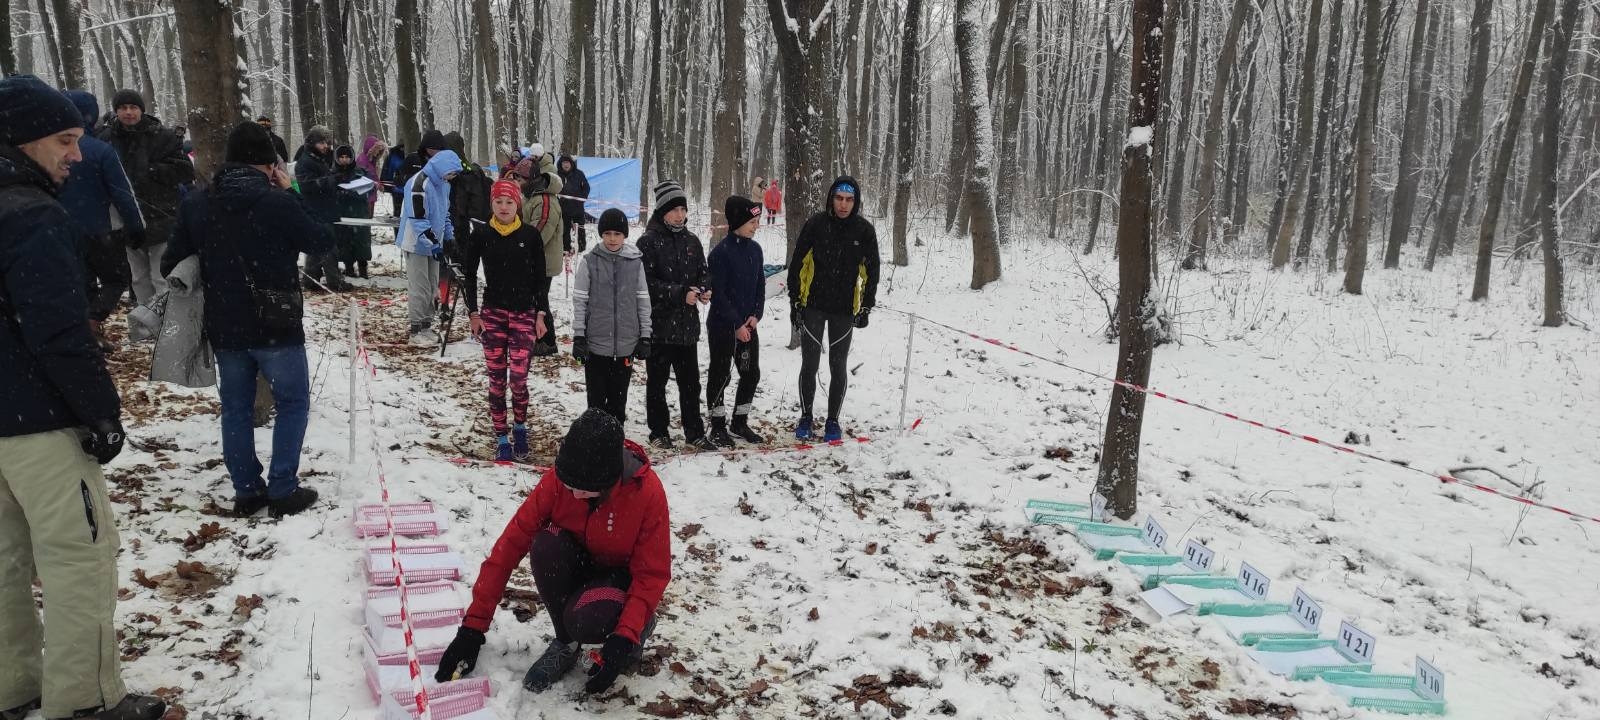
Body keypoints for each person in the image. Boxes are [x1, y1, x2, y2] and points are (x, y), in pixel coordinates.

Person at [0, 74, 167, 720]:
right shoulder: (32, 215)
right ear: (24, 141)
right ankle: (87, 700)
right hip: (38, 419)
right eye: (65, 140)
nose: (77, 154)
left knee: (7, 561)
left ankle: (13, 686)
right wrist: (101, 410)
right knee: (80, 553)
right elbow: (58, 330)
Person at [433, 409, 669, 696]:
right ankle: (565, 643)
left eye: (582, 490)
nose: (571, 494)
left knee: (585, 619)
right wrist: (473, 627)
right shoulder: (559, 482)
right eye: (568, 486)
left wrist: (625, 636)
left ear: (606, 482)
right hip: (579, 563)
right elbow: (509, 546)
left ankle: (636, 625)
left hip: (619, 580)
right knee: (546, 543)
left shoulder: (647, 493)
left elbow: (651, 573)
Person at [161, 120, 327, 519]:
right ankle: (283, 486)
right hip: (277, 322)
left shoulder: (197, 203)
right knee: (292, 402)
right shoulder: (278, 202)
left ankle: (247, 490)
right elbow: (321, 241)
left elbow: (171, 261)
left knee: (235, 408)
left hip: (225, 323)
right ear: (270, 164)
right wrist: (294, 193)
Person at [462, 181, 550, 462]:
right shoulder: (482, 234)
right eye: (498, 202)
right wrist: (473, 313)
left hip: (524, 313)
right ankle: (501, 436)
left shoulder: (530, 235)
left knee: (519, 381)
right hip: (492, 314)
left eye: (509, 203)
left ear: (517, 206)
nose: (503, 207)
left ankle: (520, 427)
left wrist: (540, 314)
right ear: (492, 204)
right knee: (497, 380)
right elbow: (469, 275)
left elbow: (540, 278)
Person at [787, 175, 879, 443]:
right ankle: (805, 417)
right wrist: (795, 302)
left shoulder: (864, 231)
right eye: (839, 198)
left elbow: (873, 270)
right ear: (831, 198)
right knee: (809, 364)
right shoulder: (816, 224)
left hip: (843, 310)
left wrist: (866, 306)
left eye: (849, 200)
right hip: (814, 305)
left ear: (856, 202)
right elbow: (797, 263)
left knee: (838, 366)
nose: (843, 205)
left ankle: (832, 421)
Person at [58, 90, 144, 353]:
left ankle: (86, 334)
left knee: (82, 283)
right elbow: (123, 192)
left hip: (63, 228)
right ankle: (92, 323)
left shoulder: (52, 147)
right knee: (117, 280)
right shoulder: (101, 150)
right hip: (101, 229)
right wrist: (136, 226)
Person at [99, 89, 194, 306]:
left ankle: (164, 322)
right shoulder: (106, 138)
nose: (128, 112)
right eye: (123, 108)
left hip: (161, 214)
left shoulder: (163, 136)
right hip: (125, 217)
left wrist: (150, 171)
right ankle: (145, 325)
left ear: (141, 110)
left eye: (133, 107)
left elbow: (184, 171)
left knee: (160, 275)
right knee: (138, 277)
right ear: (116, 111)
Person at [637, 180, 710, 451]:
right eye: (674, 209)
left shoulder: (692, 241)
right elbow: (646, 283)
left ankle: (694, 431)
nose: (680, 215)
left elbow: (704, 271)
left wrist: (704, 289)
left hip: (687, 328)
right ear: (661, 211)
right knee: (656, 384)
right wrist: (679, 293)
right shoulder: (648, 242)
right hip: (659, 326)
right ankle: (658, 431)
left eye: (683, 209)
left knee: (691, 384)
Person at [572, 208, 652, 423]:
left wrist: (645, 336)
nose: (612, 239)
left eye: (617, 234)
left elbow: (643, 300)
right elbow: (580, 301)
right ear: (601, 235)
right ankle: (594, 445)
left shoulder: (636, 263)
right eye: (607, 233)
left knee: (618, 402)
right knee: (596, 402)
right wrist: (579, 336)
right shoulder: (590, 261)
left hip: (626, 344)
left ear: (625, 235)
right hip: (596, 344)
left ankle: (614, 443)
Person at [705, 196, 767, 447]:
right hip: (723, 327)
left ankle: (739, 421)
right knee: (720, 375)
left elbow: (760, 286)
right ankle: (717, 425)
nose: (756, 226)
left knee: (751, 373)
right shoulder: (721, 253)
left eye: (758, 221)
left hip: (749, 326)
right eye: (752, 221)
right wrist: (736, 325)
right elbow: (718, 295)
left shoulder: (756, 250)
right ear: (738, 222)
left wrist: (756, 314)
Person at [395, 147, 462, 346]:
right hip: (416, 242)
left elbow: (444, 214)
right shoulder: (418, 183)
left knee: (433, 285)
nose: (451, 177)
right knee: (420, 287)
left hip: (434, 242)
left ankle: (426, 324)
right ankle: (416, 329)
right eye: (450, 173)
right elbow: (417, 218)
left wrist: (449, 237)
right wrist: (433, 243)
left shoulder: (443, 184)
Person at [516, 151, 566, 356]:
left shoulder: (544, 200)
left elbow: (539, 232)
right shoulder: (531, 196)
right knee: (536, 299)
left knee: (540, 300)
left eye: (519, 178)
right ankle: (538, 337)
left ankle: (547, 341)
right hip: (534, 260)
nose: (516, 182)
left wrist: (520, 248)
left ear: (529, 179)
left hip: (543, 261)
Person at [292, 126, 352, 292]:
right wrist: (332, 180)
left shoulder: (320, 159)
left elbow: (324, 182)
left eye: (327, 142)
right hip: (317, 210)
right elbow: (309, 185)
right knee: (328, 245)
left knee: (316, 245)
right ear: (312, 143)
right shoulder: (305, 161)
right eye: (321, 142)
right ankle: (334, 281)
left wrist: (338, 184)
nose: (326, 146)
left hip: (324, 209)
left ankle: (310, 279)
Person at [445, 131, 493, 259]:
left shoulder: (464, 168)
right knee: (460, 252)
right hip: (460, 218)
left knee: (457, 252)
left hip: (457, 217)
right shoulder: (469, 168)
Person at [332, 145, 375, 279]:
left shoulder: (360, 172)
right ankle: (349, 268)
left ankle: (363, 270)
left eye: (347, 157)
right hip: (342, 212)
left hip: (359, 212)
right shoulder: (332, 173)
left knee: (361, 242)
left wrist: (354, 191)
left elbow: (370, 188)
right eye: (342, 157)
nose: (344, 160)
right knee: (344, 242)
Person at [557, 154, 591, 254]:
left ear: (571, 164)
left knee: (580, 227)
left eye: (568, 163)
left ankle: (581, 247)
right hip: (563, 207)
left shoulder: (579, 174)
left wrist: (582, 198)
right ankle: (566, 248)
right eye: (564, 163)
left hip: (577, 207)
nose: (566, 165)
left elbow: (586, 187)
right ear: (561, 164)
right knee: (565, 229)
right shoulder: (557, 175)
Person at [356, 134, 387, 215]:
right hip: (365, 197)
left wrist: (379, 184)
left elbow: (374, 176)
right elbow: (361, 178)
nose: (377, 154)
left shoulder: (371, 161)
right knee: (365, 220)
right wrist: (375, 184)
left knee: (369, 219)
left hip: (371, 196)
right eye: (376, 151)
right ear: (371, 149)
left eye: (379, 152)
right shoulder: (362, 160)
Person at [381, 142, 407, 216]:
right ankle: (397, 227)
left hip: (404, 189)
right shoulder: (392, 156)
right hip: (397, 189)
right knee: (398, 212)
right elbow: (389, 170)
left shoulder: (393, 156)